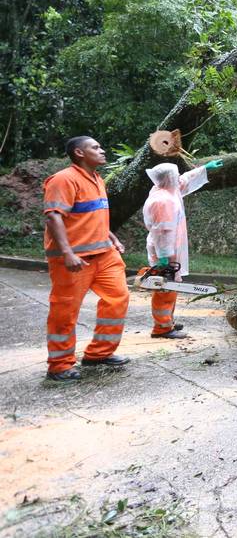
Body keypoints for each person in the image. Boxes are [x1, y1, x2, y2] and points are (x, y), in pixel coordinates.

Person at [42, 136, 130, 383]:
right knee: (65, 311)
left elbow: (94, 215)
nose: (102, 151)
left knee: (118, 298)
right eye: (96, 147)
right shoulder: (63, 179)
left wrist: (112, 237)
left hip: (104, 254)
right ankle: (59, 365)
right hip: (73, 260)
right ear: (79, 153)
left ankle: (99, 354)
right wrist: (68, 253)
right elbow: (53, 217)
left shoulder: (97, 178)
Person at [141, 159, 222, 338]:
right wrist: (165, 257)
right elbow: (163, 231)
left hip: (169, 248)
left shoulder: (167, 190)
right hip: (164, 249)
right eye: (175, 175)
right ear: (169, 178)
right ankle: (161, 328)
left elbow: (184, 180)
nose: (178, 178)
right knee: (165, 288)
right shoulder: (163, 201)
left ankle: (167, 321)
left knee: (171, 285)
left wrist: (204, 169)